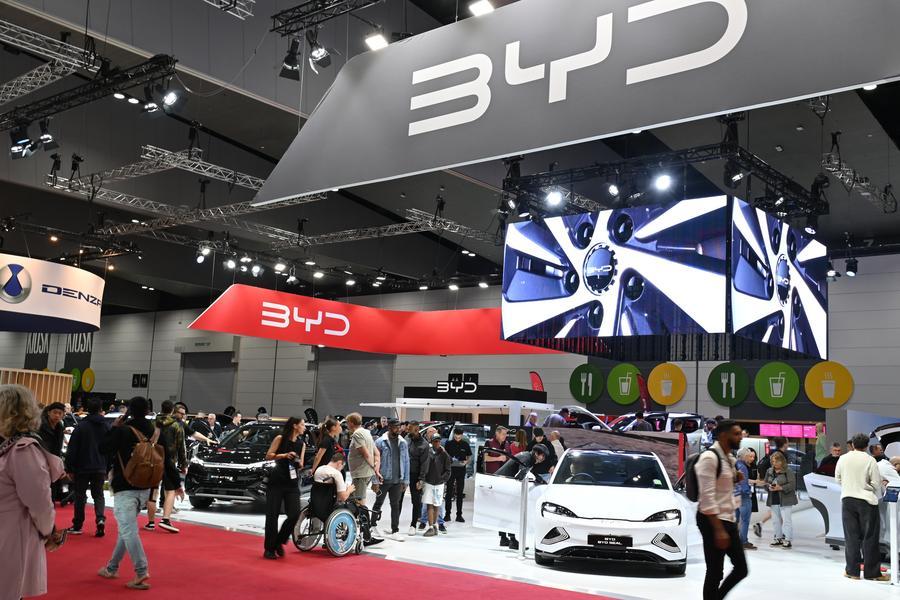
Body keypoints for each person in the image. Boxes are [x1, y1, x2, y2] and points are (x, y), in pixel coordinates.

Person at [0, 385, 67, 600]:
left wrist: (48, 531)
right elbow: (39, 502)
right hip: (9, 534)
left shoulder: (19, 449)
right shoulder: (17, 448)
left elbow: (39, 501)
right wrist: (48, 531)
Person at [97, 396, 156, 590]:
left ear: (129, 410)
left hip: (125, 486)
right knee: (126, 528)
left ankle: (141, 571)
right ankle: (112, 567)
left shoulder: (123, 430)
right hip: (145, 486)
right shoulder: (154, 431)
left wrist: (114, 427)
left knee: (128, 530)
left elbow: (103, 447)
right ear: (147, 410)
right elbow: (165, 457)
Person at [696, 419, 747, 600]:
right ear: (724, 435)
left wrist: (734, 476)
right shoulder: (709, 458)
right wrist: (718, 530)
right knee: (715, 571)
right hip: (712, 520)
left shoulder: (728, 458)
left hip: (728, 518)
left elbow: (721, 485)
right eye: (736, 434)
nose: (740, 437)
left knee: (741, 569)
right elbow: (707, 498)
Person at [835, 432, 887, 581]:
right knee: (869, 537)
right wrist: (866, 487)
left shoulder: (843, 458)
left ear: (852, 444)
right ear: (866, 446)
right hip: (866, 502)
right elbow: (876, 484)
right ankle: (872, 573)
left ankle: (852, 571)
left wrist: (849, 486)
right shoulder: (870, 460)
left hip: (847, 500)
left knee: (851, 537)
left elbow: (838, 479)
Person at [64, 396, 110, 537]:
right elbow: (110, 449)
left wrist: (69, 468)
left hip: (82, 466)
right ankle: (100, 518)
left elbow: (72, 448)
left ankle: (78, 524)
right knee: (98, 494)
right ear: (101, 409)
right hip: (100, 466)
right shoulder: (106, 426)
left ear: (87, 409)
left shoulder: (81, 426)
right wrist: (107, 467)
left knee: (80, 495)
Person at [262, 417, 306, 559]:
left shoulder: (301, 443)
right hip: (276, 480)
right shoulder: (280, 438)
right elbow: (268, 456)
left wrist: (298, 462)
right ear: (295, 426)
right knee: (272, 515)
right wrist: (285, 455)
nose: (304, 427)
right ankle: (269, 549)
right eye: (302, 424)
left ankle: (278, 542)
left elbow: (301, 464)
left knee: (294, 514)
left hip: (292, 482)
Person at [145, 401, 186, 534]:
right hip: (169, 462)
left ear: (161, 408)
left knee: (153, 490)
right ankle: (165, 519)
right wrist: (183, 464)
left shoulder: (152, 423)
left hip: (153, 461)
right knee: (170, 490)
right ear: (172, 410)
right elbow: (181, 447)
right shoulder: (176, 425)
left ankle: (151, 522)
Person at [372, 418, 410, 541]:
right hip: (383, 480)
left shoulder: (403, 442)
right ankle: (372, 526)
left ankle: (395, 531)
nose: (398, 429)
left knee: (395, 505)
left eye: (399, 427)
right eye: (396, 427)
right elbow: (374, 462)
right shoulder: (380, 442)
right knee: (378, 503)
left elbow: (406, 462)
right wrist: (375, 481)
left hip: (397, 480)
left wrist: (405, 480)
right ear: (389, 427)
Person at [760, 452, 797, 549]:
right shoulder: (769, 471)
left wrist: (780, 487)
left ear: (782, 461)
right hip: (773, 498)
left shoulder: (788, 471)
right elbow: (765, 483)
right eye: (773, 461)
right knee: (775, 520)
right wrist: (768, 487)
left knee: (786, 520)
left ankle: (787, 539)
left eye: (777, 461)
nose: (774, 463)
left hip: (786, 499)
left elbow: (792, 485)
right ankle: (778, 538)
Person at [419, 433, 451, 537]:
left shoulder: (444, 454)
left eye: (438, 441)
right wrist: (422, 479)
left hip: (439, 484)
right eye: (435, 441)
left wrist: (442, 479)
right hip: (428, 482)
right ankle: (431, 527)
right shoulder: (428, 452)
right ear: (431, 442)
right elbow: (423, 466)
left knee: (437, 505)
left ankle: (434, 526)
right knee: (429, 505)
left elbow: (448, 470)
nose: (437, 443)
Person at [346, 412, 379, 505]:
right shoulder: (366, 432)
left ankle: (362, 514)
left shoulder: (357, 434)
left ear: (351, 422)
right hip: (363, 472)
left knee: (358, 501)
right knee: (353, 499)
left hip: (361, 473)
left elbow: (366, 454)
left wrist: (374, 469)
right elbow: (377, 453)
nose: (347, 424)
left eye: (347, 422)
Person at [39, 401, 67, 503]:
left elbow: (58, 448)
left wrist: (60, 466)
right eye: (55, 412)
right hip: (40, 461)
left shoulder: (60, 427)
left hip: (54, 463)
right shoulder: (40, 426)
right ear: (48, 412)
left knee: (53, 491)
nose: (57, 415)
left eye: (60, 413)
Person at [406, 421, 430, 535]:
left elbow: (424, 463)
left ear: (416, 430)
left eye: (409, 428)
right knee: (397, 500)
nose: (407, 430)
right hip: (404, 474)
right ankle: (394, 527)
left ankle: (413, 525)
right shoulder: (407, 439)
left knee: (416, 501)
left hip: (415, 475)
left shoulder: (424, 445)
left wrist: (421, 479)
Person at [444, 427, 472, 522]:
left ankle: (459, 515)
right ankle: (447, 514)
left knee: (460, 493)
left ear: (462, 435)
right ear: (454, 434)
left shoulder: (465, 444)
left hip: (461, 470)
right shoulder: (448, 443)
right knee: (449, 492)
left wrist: (466, 462)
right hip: (450, 470)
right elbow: (444, 456)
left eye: (459, 436)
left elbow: (469, 457)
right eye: (456, 436)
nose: (457, 437)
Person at [734, 448, 755, 550]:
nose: (750, 458)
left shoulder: (735, 464)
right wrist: (748, 492)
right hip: (743, 496)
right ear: (744, 456)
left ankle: (734, 541)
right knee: (745, 520)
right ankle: (743, 542)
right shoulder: (743, 467)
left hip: (735, 495)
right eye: (748, 456)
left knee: (736, 519)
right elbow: (743, 483)